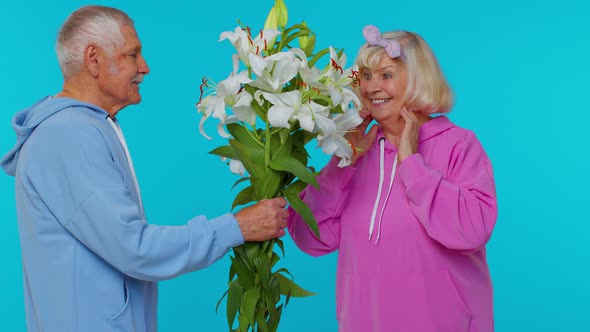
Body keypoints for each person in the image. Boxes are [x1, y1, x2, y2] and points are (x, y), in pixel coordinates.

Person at [0, 5, 288, 332]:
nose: (145, 67)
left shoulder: (85, 128)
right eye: (132, 54)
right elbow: (134, 249)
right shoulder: (70, 136)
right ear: (93, 59)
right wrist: (236, 226)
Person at [288, 25, 497, 332]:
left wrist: (412, 163)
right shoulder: (358, 153)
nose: (372, 87)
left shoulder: (458, 145)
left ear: (418, 80)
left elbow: (473, 230)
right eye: (366, 76)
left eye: (386, 75)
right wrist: (343, 163)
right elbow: (309, 237)